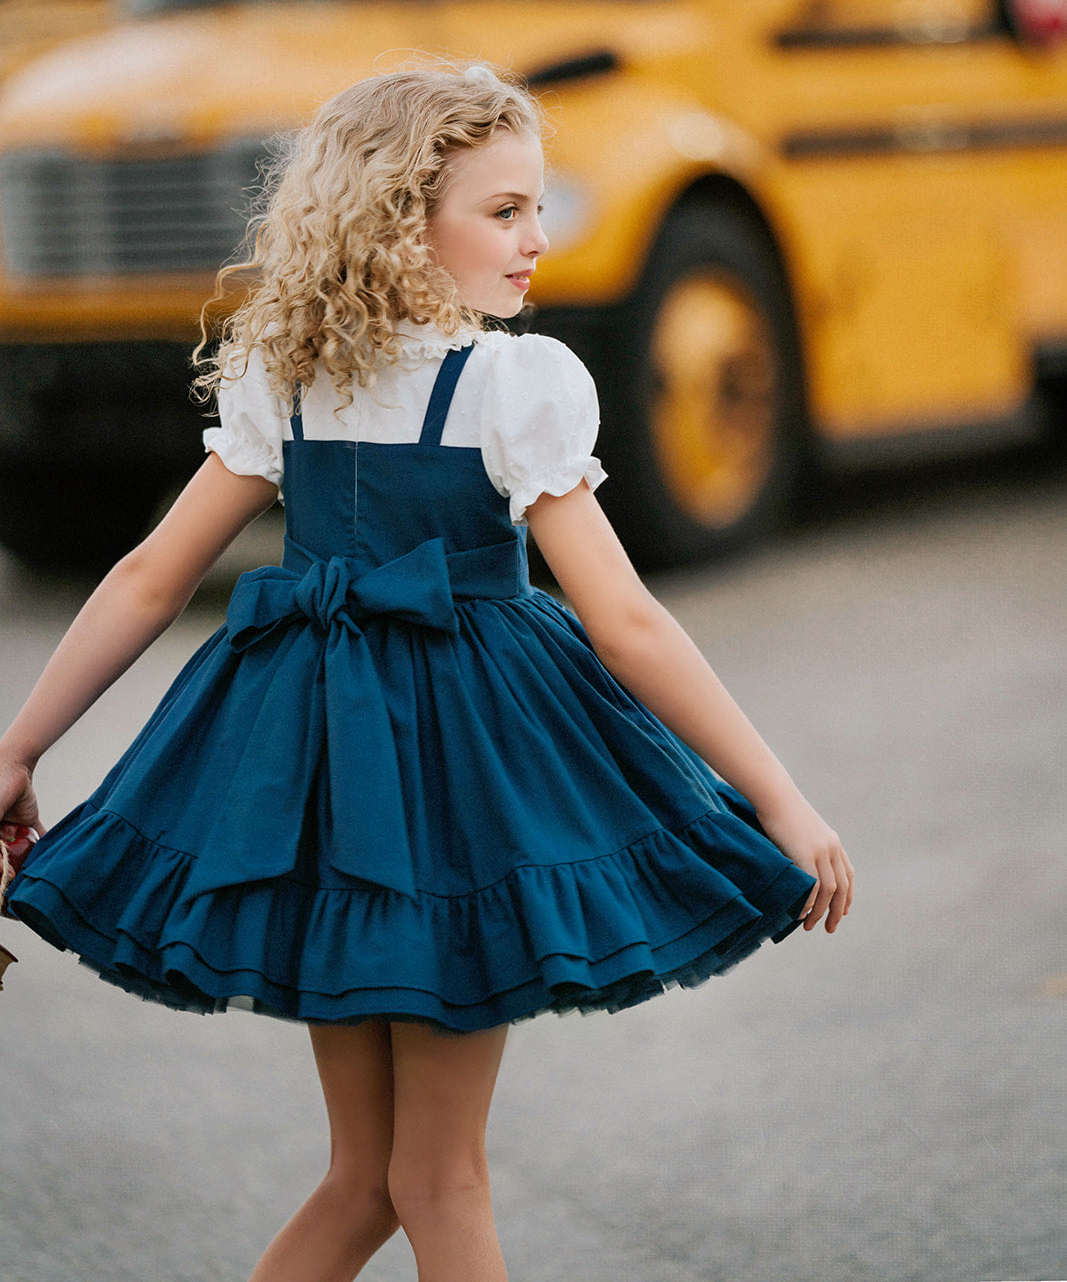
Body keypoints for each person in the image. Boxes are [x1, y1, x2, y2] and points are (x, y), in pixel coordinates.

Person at [0, 62, 853, 1282]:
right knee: (436, 1177)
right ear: (400, 221)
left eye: (536, 208)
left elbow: (148, 578)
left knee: (373, 1177)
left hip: (317, 781)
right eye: (502, 211)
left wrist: (19, 744)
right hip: (453, 790)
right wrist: (776, 792)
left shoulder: (286, 375)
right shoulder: (513, 386)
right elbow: (625, 623)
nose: (537, 240)